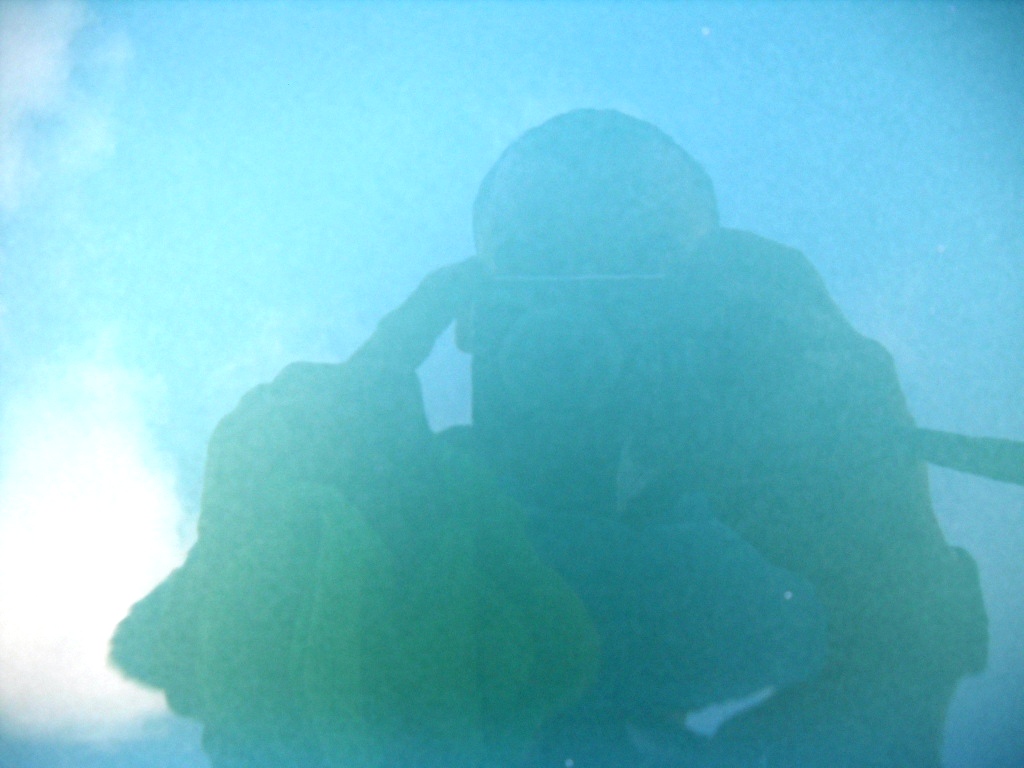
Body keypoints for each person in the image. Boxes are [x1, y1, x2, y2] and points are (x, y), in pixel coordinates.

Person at [111, 109, 988, 768]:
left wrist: (880, 537)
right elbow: (179, 662)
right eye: (535, 260)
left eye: (644, 259)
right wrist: (272, 526)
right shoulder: (388, 508)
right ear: (467, 312)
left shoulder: (783, 531)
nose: (583, 306)